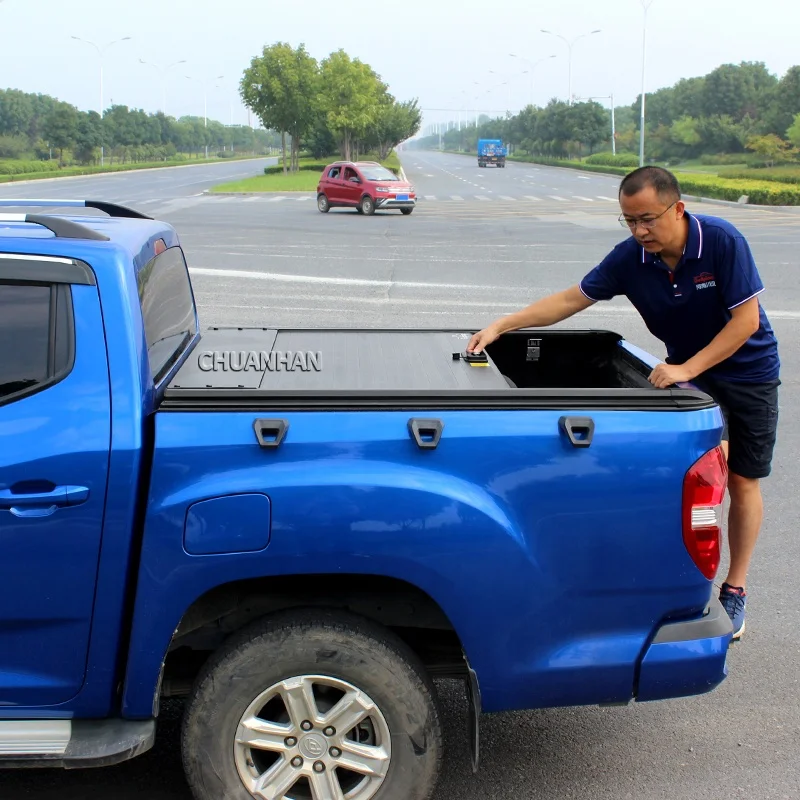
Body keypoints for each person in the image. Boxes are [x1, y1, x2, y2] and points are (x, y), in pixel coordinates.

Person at [468, 165, 780, 640]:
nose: (639, 231)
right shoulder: (633, 257)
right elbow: (573, 299)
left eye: (648, 219)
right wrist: (502, 326)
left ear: (678, 208)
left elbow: (745, 321)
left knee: (743, 481)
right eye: (629, 221)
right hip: (690, 372)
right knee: (687, 473)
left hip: (747, 370)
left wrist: (687, 369)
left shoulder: (720, 240)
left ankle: (735, 590)